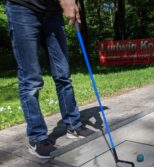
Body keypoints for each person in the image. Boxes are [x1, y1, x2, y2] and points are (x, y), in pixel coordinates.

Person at [6, 0, 94, 158]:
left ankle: (73, 125)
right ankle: (37, 137)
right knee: (31, 80)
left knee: (63, 75)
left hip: (53, 13)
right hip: (23, 8)